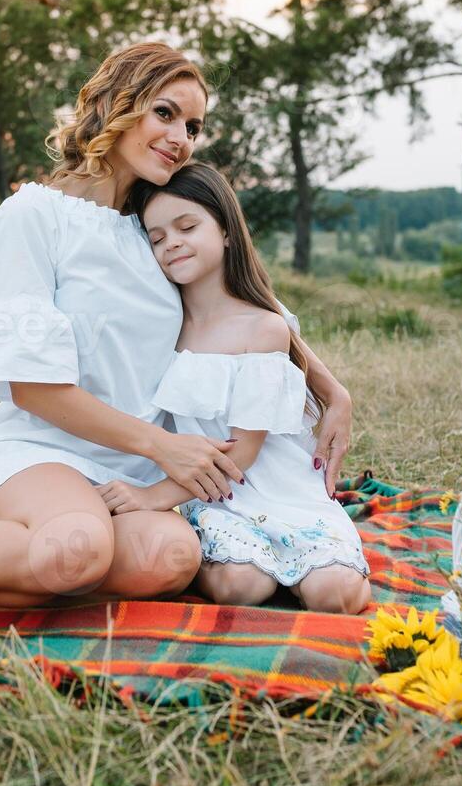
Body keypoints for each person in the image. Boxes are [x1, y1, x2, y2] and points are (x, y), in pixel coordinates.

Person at [0, 41, 354, 608]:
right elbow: (32, 388)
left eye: (193, 126)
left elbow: (240, 305)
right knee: (77, 548)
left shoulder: (155, 224)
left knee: (171, 560)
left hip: (135, 472)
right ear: (118, 103)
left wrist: (330, 388)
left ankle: (22, 560)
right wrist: (164, 446)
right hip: (41, 450)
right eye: (164, 113)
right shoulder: (33, 215)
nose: (180, 138)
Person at [93, 163, 371, 614]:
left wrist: (150, 497)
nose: (172, 243)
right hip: (216, 499)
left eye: (187, 227)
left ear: (225, 231)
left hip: (280, 488)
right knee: (242, 586)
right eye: (157, 238)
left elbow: (243, 451)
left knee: (333, 595)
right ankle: (261, 567)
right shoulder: (162, 321)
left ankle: (318, 565)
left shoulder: (261, 326)